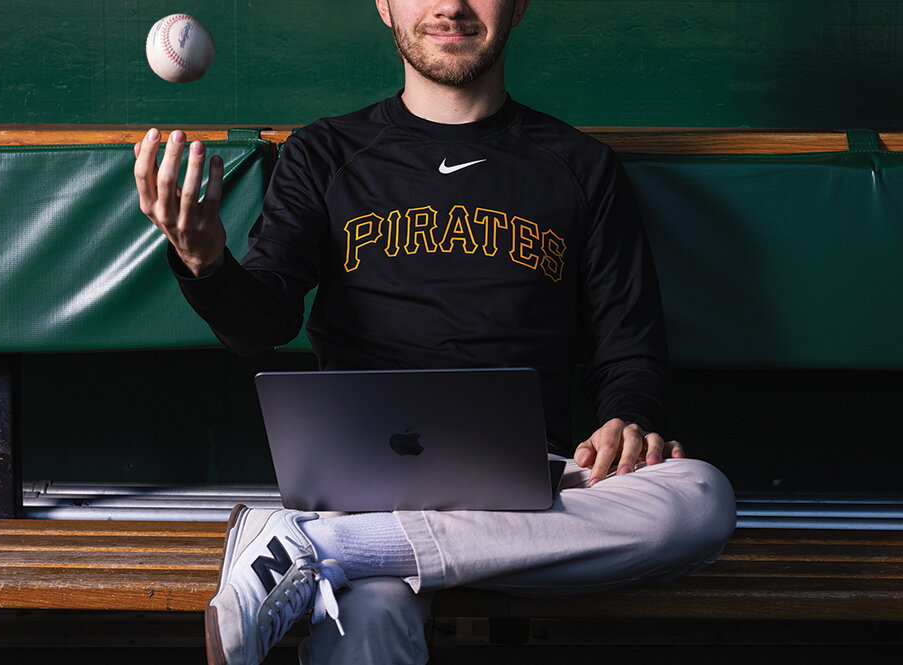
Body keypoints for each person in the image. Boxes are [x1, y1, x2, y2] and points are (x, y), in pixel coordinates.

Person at [133, 1, 736, 664]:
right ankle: (342, 545)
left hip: (530, 487)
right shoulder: (324, 153)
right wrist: (206, 261)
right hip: (361, 482)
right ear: (385, 4)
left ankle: (317, 549)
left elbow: (630, 351)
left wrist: (629, 416)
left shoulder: (582, 166)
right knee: (371, 608)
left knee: (700, 500)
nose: (449, 4)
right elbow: (260, 326)